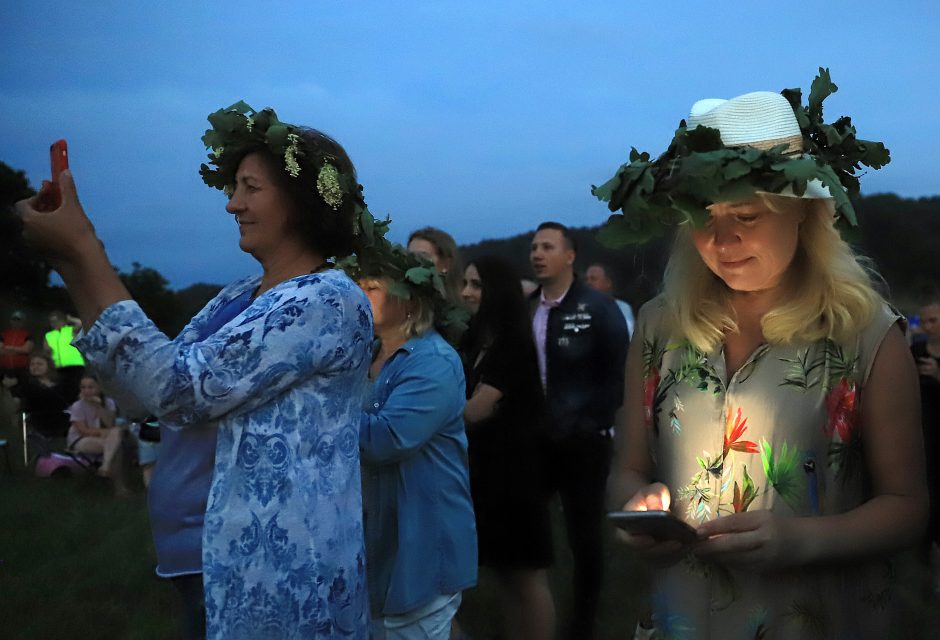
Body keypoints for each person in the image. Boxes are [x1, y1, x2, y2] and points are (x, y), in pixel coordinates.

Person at [17, 102, 376, 639]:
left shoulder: (326, 300)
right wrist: (69, 263)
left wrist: (85, 247)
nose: (233, 204)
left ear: (301, 201)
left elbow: (180, 390)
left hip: (277, 575)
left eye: (250, 188)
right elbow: (143, 396)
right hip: (202, 558)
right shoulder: (236, 297)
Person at [598, 73, 927, 638]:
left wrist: (803, 540)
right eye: (702, 220)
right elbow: (627, 466)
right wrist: (637, 509)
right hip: (683, 615)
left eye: (745, 217)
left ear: (803, 210)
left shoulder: (864, 334)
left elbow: (908, 506)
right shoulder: (658, 325)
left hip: (812, 617)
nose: (721, 243)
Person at [350, 243, 477, 640]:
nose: (357, 294)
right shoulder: (365, 355)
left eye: (371, 287)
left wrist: (317, 409)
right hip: (378, 542)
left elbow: (386, 439)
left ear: (410, 301)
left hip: (420, 544)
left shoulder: (431, 361)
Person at [528, 221, 629, 639]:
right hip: (537, 438)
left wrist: (594, 422)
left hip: (584, 439)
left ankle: (583, 623)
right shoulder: (528, 307)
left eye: (547, 246)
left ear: (570, 255)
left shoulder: (597, 308)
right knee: (530, 529)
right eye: (534, 247)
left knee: (583, 534)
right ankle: (530, 611)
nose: (537, 253)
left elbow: (620, 373)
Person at [460, 255, 555, 640]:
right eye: (464, 284)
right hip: (489, 475)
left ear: (497, 292)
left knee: (525, 578)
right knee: (505, 577)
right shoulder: (478, 340)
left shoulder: (513, 344)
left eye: (477, 285)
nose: (466, 292)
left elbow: (472, 412)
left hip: (517, 478)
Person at [66, 374, 130, 495]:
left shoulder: (108, 402)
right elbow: (83, 431)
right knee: (117, 445)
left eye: (91, 387)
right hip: (80, 439)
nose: (86, 391)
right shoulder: (77, 406)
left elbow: (110, 423)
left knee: (116, 435)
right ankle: (119, 487)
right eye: (83, 388)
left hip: (106, 439)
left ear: (100, 388)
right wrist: (104, 432)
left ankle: (106, 467)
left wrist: (98, 407)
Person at [912, 295, 940, 549]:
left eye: (933, 320)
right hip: (921, 432)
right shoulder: (916, 351)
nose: (928, 325)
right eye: (924, 321)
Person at [2, 353, 71, 439]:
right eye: (32, 364)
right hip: (38, 423)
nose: (35, 367)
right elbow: (19, 405)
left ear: (49, 366)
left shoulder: (61, 384)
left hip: (63, 421)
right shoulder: (26, 385)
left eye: (39, 364)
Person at [407, 227, 464, 306]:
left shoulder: (458, 311)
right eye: (410, 256)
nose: (413, 261)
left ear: (446, 264)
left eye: (422, 257)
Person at [43, 310, 84, 401]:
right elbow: (46, 350)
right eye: (51, 321)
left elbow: (80, 323)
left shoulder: (70, 330)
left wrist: (70, 318)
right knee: (62, 391)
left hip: (75, 365)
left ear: (63, 321)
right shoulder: (49, 335)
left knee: (75, 390)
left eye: (56, 320)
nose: (53, 323)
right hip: (58, 367)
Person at [585, 262, 635, 336]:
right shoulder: (579, 307)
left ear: (608, 282)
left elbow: (628, 337)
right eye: (586, 279)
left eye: (593, 279)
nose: (588, 283)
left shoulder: (622, 308)